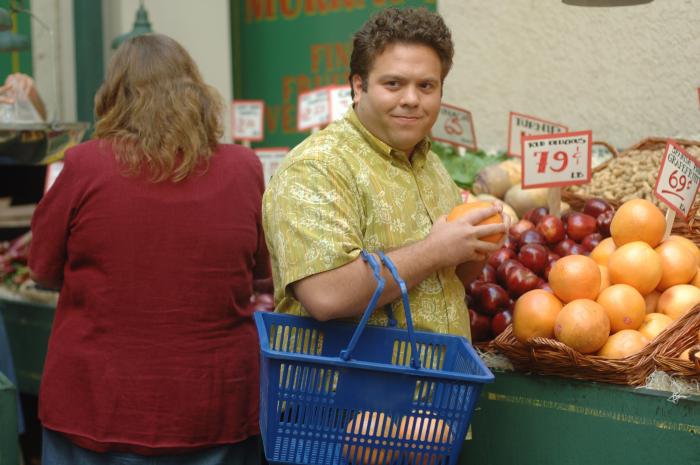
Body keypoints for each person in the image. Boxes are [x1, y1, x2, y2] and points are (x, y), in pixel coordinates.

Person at [29, 33, 270, 465]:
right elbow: (262, 276)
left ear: (113, 97)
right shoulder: (244, 168)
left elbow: (42, 269)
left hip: (98, 407)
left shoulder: (85, 164)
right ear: (196, 91)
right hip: (215, 406)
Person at [262, 7, 506, 340]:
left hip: (433, 387)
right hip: (348, 390)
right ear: (358, 86)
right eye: (393, 84)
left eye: (426, 86)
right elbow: (327, 295)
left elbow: (439, 282)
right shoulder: (317, 167)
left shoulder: (430, 165)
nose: (411, 99)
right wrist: (435, 250)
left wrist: (475, 245)